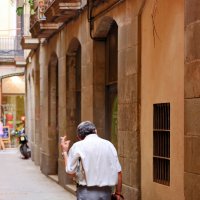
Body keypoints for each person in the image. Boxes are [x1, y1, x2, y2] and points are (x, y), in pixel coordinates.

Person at [60, 121, 122, 200]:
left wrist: (65, 152)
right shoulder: (109, 145)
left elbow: (70, 171)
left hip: (86, 192)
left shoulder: (78, 146)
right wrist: (118, 193)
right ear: (96, 131)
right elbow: (118, 172)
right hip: (106, 193)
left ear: (79, 136)